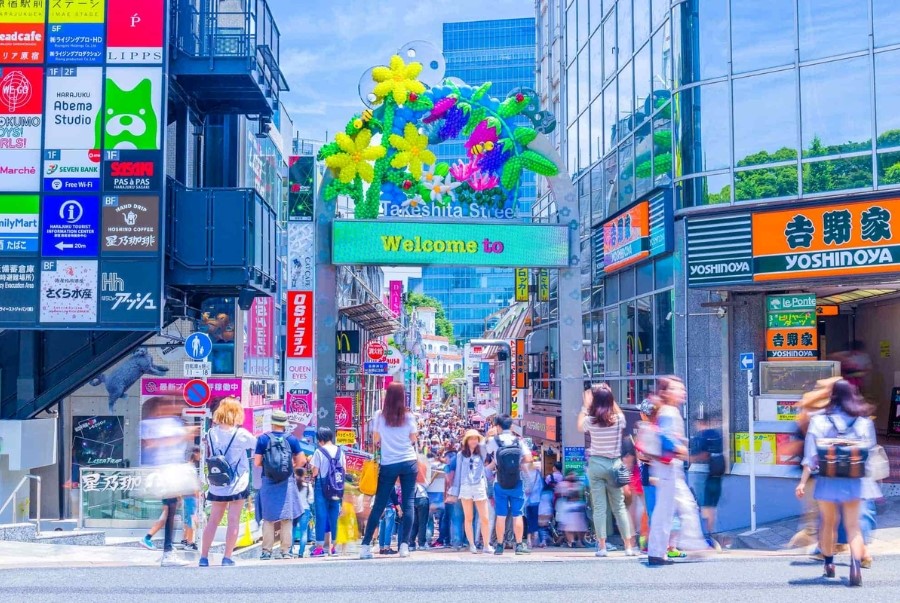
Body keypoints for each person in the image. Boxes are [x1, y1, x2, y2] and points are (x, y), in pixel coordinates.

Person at [796, 379, 876, 587]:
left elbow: (810, 458)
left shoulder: (819, 421)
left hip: (827, 481)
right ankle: (855, 568)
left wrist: (803, 482)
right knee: (853, 527)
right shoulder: (863, 421)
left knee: (828, 524)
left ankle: (829, 564)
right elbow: (871, 453)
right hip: (854, 481)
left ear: (833, 396)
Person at [646, 377, 708, 567]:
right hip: (669, 466)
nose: (682, 392)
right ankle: (662, 550)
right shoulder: (670, 412)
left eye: (682, 388)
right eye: (677, 389)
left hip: (669, 466)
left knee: (685, 505)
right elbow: (666, 437)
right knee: (666, 510)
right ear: (666, 392)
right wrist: (679, 448)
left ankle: (692, 543)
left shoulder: (667, 411)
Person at [360, 382, 419, 560]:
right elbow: (413, 439)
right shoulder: (409, 417)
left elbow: (376, 439)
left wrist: (388, 442)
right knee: (408, 504)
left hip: (389, 463)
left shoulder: (380, 415)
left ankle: (365, 546)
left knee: (379, 504)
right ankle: (404, 546)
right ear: (403, 397)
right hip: (409, 461)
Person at [579, 384, 636, 557]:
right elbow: (619, 413)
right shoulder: (618, 420)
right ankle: (628, 547)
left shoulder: (591, 420)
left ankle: (602, 546)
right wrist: (609, 395)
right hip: (615, 464)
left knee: (599, 508)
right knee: (619, 507)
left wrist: (586, 405)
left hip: (596, 464)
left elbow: (580, 426)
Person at [199, 396, 256, 567]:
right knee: (233, 519)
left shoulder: (211, 433)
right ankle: (227, 557)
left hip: (217, 482)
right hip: (237, 482)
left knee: (213, 520)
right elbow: (258, 445)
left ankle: (203, 557)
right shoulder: (241, 434)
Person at [140, 396, 196, 567]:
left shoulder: (173, 422)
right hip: (164, 473)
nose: (173, 407)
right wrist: (181, 437)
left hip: (174, 473)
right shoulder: (151, 425)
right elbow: (151, 446)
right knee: (170, 510)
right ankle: (168, 551)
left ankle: (168, 550)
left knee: (172, 510)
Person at [253, 409, 306, 560]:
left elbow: (257, 462)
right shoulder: (292, 440)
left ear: (272, 423)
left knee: (268, 518)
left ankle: (266, 551)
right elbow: (302, 461)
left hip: (268, 481)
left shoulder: (263, 439)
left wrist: (270, 466)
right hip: (286, 481)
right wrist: (290, 467)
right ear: (284, 424)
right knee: (287, 518)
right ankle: (285, 551)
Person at [485, 414, 532, 555]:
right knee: (518, 514)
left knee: (501, 515)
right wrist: (517, 465)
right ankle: (518, 545)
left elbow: (488, 454)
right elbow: (529, 458)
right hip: (517, 482)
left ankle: (499, 545)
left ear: (497, 426)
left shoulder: (494, 441)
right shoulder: (519, 442)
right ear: (511, 426)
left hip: (500, 482)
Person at [447, 429, 493, 554]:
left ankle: (486, 545)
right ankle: (471, 544)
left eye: (475, 438)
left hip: (479, 486)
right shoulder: (460, 455)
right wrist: (455, 492)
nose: (473, 441)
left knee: (484, 517)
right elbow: (457, 475)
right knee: (468, 517)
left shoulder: (481, 452)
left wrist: (486, 435)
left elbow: (487, 443)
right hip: (465, 486)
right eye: (471, 438)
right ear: (466, 441)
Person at [690, 409, 725, 550]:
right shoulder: (717, 435)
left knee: (702, 505)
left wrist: (686, 458)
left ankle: (704, 537)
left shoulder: (701, 436)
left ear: (699, 422)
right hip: (715, 473)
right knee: (711, 506)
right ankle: (711, 534)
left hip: (701, 473)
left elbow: (703, 455)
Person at [309, 427, 346, 557]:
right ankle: (333, 547)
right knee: (334, 516)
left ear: (321, 439)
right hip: (337, 485)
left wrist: (312, 467)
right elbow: (343, 470)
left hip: (322, 485)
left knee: (321, 516)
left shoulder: (319, 452)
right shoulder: (340, 452)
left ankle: (319, 548)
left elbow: (315, 472)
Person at [180, 446, 202, 551]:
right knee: (192, 518)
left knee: (188, 518)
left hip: (186, 495)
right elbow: (193, 484)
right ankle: (190, 542)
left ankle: (185, 539)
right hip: (191, 496)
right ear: (196, 453)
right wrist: (197, 494)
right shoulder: (191, 468)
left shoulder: (186, 467)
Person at [292, 467, 315, 558]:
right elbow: (311, 500)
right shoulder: (308, 486)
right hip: (305, 509)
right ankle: (301, 553)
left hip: (294, 510)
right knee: (304, 532)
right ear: (304, 475)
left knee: (292, 530)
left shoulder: (292, 485)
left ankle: (289, 551)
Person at [524, 459, 544, 548]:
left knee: (528, 520)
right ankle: (535, 537)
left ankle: (528, 540)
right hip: (536, 500)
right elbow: (540, 487)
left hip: (526, 501)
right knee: (535, 519)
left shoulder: (524, 474)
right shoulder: (537, 474)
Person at [409, 480, 430, 550]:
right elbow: (427, 485)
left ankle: (411, 544)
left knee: (414, 523)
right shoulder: (421, 477)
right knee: (422, 523)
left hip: (412, 499)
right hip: (423, 498)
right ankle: (422, 544)